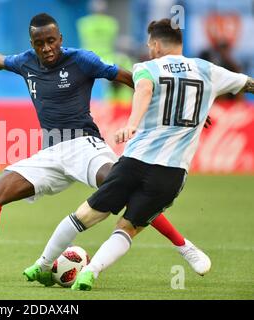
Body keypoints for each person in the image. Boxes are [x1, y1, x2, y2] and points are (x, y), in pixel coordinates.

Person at [0, 13, 211, 282]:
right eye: (40, 43)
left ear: (60, 37)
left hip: (84, 145)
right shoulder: (26, 62)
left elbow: (132, 79)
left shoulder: (82, 60)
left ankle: (184, 245)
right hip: (51, 151)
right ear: (32, 44)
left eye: (51, 41)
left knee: (124, 188)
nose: (47, 48)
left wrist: (180, 104)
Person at [23, 18, 253, 290]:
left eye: (148, 44)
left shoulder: (146, 67)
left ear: (155, 44)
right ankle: (90, 273)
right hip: (171, 172)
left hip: (134, 161)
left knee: (83, 215)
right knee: (127, 229)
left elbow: (143, 88)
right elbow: (248, 84)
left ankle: (42, 263)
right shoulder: (208, 70)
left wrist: (132, 122)